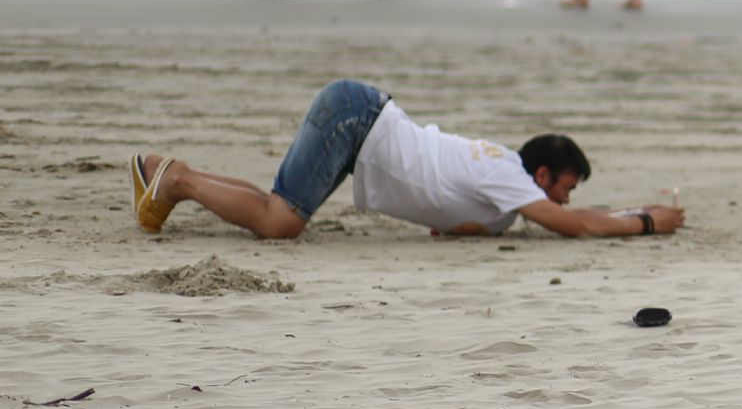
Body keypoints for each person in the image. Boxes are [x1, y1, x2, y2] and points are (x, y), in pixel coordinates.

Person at [126, 81, 684, 242]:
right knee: (279, 223)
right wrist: (647, 223)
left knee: (280, 208)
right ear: (541, 175)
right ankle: (177, 179)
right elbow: (573, 226)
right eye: (564, 187)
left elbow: (575, 215)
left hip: (362, 118)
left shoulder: (505, 182)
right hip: (358, 122)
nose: (565, 200)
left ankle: (170, 173)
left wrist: (634, 208)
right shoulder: (507, 178)